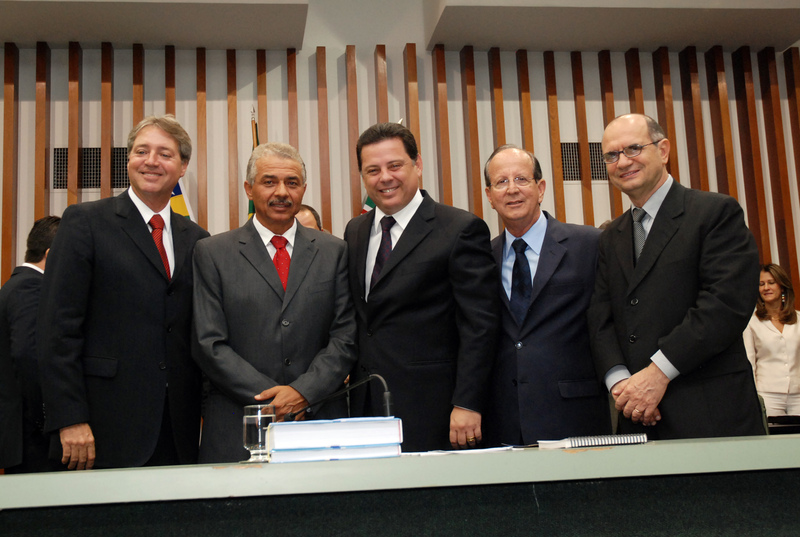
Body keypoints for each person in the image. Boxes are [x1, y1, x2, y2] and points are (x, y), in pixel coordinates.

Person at [38, 115, 210, 470]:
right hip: (101, 425)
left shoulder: (197, 239)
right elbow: (57, 329)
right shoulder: (85, 222)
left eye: (165, 154)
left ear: (182, 167)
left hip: (176, 427)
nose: (151, 161)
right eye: (141, 151)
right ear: (128, 159)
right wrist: (69, 417)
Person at [588, 113, 764, 439]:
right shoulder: (611, 237)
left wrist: (658, 374)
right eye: (611, 155)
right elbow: (601, 318)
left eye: (633, 149)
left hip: (710, 414)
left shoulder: (714, 213)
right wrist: (621, 385)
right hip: (636, 415)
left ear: (664, 150)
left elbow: (725, 305)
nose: (622, 161)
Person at [193, 142, 356, 463]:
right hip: (239, 423)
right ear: (248, 189)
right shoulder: (212, 252)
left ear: (303, 190)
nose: (281, 192)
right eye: (269, 182)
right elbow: (208, 343)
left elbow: (345, 337)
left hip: (318, 421)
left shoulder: (335, 251)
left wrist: (303, 393)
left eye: (292, 183)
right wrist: (276, 399)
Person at [344, 122, 499, 452]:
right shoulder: (355, 231)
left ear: (418, 164)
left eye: (395, 165)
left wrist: (468, 402)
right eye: (373, 170)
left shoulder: (459, 229)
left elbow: (480, 326)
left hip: (435, 409)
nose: (385, 177)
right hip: (365, 407)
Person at [482, 145, 610, 445]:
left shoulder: (589, 244)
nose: (512, 189)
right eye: (501, 182)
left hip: (575, 416)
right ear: (489, 196)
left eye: (521, 179)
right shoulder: (483, 258)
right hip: (505, 421)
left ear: (540, 189)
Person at [0, 216, 61, 473]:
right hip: (35, 439)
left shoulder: (17, 285)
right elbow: (29, 356)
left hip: (26, 436)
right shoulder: (31, 288)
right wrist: (52, 420)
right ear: (51, 255)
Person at [743, 263, 800, 417]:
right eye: (761, 284)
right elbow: (750, 363)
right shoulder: (751, 323)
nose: (766, 288)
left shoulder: (799, 319)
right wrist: (753, 396)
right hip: (768, 396)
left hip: (798, 395)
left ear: (782, 287)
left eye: (771, 282)